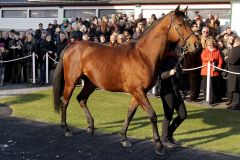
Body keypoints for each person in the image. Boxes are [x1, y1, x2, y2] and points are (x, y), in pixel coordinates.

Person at [158, 49, 187, 149]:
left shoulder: (176, 60)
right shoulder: (164, 60)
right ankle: (164, 139)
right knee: (168, 116)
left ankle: (168, 135)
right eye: (177, 50)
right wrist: (168, 73)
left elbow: (179, 76)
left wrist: (183, 87)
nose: (179, 51)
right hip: (167, 92)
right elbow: (161, 76)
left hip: (176, 91)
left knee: (183, 114)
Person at [200, 38, 223, 105]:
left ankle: (213, 99)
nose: (210, 46)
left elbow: (220, 60)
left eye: (211, 44)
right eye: (208, 44)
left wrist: (219, 67)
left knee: (214, 86)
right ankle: (206, 99)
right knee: (205, 86)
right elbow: (203, 58)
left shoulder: (217, 51)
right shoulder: (204, 51)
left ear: (213, 44)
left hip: (214, 72)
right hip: (205, 71)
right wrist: (211, 59)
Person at [225, 37, 240, 110]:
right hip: (235, 72)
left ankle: (236, 105)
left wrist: (226, 59)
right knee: (234, 89)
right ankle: (234, 104)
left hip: (235, 72)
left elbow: (233, 60)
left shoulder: (237, 49)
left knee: (235, 89)